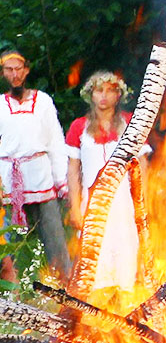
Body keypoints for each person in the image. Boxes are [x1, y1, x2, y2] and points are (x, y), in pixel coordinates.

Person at [66, 71, 151, 292]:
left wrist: (144, 202)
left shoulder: (131, 123)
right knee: (95, 258)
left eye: (110, 90)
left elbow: (142, 164)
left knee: (126, 252)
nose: (104, 96)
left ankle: (125, 303)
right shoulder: (79, 127)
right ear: (90, 95)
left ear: (118, 95)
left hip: (124, 203)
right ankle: (97, 311)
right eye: (98, 90)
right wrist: (75, 208)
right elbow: (73, 170)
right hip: (92, 203)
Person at [0, 48, 71, 282]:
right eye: (9, 70)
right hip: (10, 184)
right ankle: (13, 294)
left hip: (41, 179)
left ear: (26, 70)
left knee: (54, 237)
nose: (15, 74)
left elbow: (56, 142)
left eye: (18, 69)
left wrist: (61, 181)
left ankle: (65, 288)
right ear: (3, 74)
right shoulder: (0, 105)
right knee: (11, 242)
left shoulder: (43, 102)